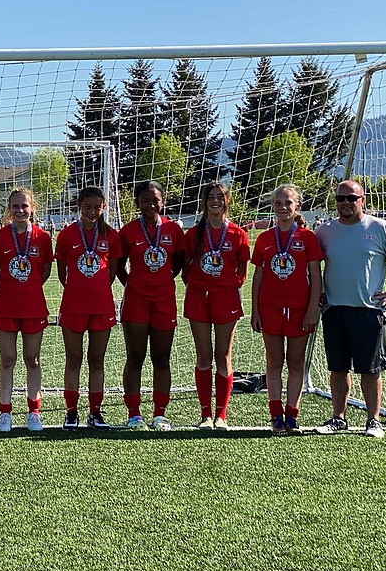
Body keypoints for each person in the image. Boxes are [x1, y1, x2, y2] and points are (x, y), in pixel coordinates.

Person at [314, 179, 386, 438]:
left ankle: (374, 420)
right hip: (334, 310)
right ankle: (338, 417)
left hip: (369, 311)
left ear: (363, 199)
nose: (345, 203)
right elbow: (312, 266)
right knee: (337, 368)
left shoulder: (381, 228)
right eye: (340, 198)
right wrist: (319, 293)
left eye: (351, 198)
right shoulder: (324, 231)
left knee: (370, 369)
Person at [250, 184, 323, 434]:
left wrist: (312, 309)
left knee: (295, 362)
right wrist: (255, 311)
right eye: (278, 203)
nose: (283, 207)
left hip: (299, 309)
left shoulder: (308, 237)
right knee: (274, 362)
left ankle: (292, 415)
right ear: (272, 207)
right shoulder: (264, 238)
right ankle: (275, 416)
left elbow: (316, 276)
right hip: (269, 307)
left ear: (297, 206)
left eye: (288, 203)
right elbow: (258, 277)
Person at [116, 181, 185, 431]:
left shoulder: (173, 230)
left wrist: (163, 279)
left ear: (162, 202)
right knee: (135, 357)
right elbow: (118, 265)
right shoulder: (128, 231)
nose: (150, 205)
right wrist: (132, 284)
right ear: (138, 203)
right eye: (145, 200)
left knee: (161, 358)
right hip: (136, 301)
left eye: (155, 200)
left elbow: (178, 262)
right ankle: (134, 414)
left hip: (164, 301)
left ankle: (160, 414)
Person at [183, 181, 250, 431]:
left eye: (220, 197)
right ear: (204, 201)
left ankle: (221, 415)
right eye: (210, 196)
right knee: (203, 356)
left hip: (226, 298)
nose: (215, 200)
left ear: (227, 201)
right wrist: (201, 282)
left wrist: (225, 284)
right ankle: (205, 414)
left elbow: (242, 271)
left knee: (223, 356)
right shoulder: (193, 233)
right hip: (199, 296)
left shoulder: (238, 234)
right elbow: (185, 267)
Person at [55, 186, 121, 429]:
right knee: (73, 359)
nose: (92, 211)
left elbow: (112, 272)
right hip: (73, 305)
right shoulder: (66, 235)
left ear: (103, 207)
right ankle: (71, 411)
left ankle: (95, 411)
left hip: (102, 306)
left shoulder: (111, 235)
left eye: (97, 206)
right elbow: (62, 273)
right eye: (87, 206)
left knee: (97, 359)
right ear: (79, 207)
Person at [0, 187, 53, 431]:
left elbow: (44, 271)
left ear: (32, 208)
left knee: (32, 359)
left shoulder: (43, 238)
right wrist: (10, 286)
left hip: (34, 306)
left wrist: (29, 286)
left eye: (24, 206)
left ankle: (34, 411)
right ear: (9, 209)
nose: (20, 210)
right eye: (15, 206)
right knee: (7, 359)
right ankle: (5, 411)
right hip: (6, 306)